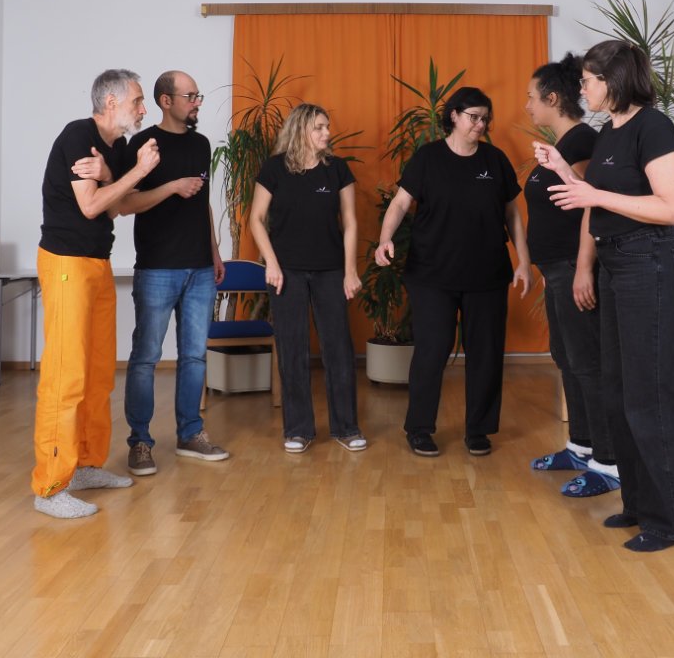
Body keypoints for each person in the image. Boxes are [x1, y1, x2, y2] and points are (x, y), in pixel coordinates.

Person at [534, 40, 674, 553]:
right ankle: (639, 505)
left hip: (650, 262)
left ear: (614, 79)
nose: (582, 89)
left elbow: (671, 208)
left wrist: (593, 193)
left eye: (588, 81)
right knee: (620, 391)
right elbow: (594, 200)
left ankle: (670, 522)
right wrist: (563, 170)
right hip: (614, 264)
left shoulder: (654, 127)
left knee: (651, 395)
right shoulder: (607, 132)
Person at [375, 86, 531, 458]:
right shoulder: (428, 158)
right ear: (454, 116)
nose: (481, 124)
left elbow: (512, 214)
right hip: (432, 275)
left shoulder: (495, 160)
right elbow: (400, 203)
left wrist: (524, 261)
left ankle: (478, 430)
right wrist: (384, 239)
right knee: (431, 351)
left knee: (486, 354)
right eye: (474, 117)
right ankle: (419, 428)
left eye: (485, 118)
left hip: (487, 275)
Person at [31, 69, 159, 519]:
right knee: (65, 374)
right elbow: (90, 206)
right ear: (111, 103)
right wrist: (134, 172)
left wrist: (111, 173)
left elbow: (118, 206)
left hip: (96, 262)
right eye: (137, 100)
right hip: (66, 263)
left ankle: (85, 465)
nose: (143, 109)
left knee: (99, 371)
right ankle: (50, 487)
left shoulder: (117, 147)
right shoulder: (78, 136)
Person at [116, 71, 228, 476]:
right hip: (157, 268)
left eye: (198, 96)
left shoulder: (200, 144)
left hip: (200, 268)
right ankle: (140, 442)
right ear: (166, 101)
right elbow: (125, 204)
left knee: (194, 356)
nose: (197, 103)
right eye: (190, 96)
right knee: (146, 358)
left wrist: (214, 252)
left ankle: (190, 434)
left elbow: (203, 203)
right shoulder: (143, 145)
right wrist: (172, 187)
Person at [523, 54, 619, 498]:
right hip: (557, 270)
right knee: (567, 358)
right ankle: (581, 447)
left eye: (531, 97)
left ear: (552, 98)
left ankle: (608, 462)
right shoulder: (562, 144)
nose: (527, 105)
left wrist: (582, 269)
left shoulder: (582, 141)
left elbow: (592, 205)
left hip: (573, 268)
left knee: (588, 363)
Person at [249, 103, 365, 454]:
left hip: (330, 270)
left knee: (338, 349)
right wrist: (271, 264)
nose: (327, 133)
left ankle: (346, 427)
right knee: (292, 349)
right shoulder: (274, 169)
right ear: (300, 129)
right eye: (319, 127)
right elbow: (256, 219)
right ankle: (298, 430)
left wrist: (350, 271)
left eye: (327, 126)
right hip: (286, 273)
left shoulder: (337, 169)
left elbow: (350, 222)